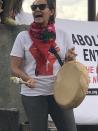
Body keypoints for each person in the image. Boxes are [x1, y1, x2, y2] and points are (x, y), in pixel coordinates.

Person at [10, 0, 77, 131]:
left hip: (60, 92)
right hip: (33, 95)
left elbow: (69, 68)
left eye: (41, 6)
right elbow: (14, 68)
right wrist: (26, 78)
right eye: (34, 7)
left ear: (51, 12)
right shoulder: (22, 37)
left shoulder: (63, 34)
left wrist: (70, 59)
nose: (37, 10)